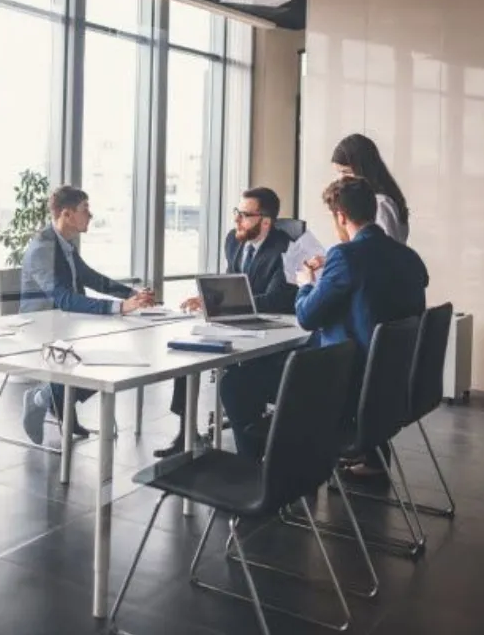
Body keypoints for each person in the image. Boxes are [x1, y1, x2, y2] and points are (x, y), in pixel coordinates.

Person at [293, 176, 429, 478]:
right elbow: (375, 297)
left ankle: (284, 473)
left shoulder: (344, 256)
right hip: (395, 380)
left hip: (351, 381)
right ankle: (370, 455)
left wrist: (305, 285)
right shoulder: (409, 257)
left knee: (243, 385)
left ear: (340, 216)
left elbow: (306, 317)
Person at [151, 187, 296, 458]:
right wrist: (209, 298)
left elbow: (278, 299)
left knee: (239, 380)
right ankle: (186, 433)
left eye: (245, 214)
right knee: (188, 352)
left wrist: (227, 305)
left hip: (268, 326)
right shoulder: (234, 240)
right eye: (236, 212)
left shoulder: (286, 249)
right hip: (232, 320)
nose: (237, 220)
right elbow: (232, 282)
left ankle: (255, 447)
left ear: (265, 221)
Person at [19, 185, 155, 444]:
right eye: (85, 210)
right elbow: (63, 298)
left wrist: (132, 294)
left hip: (65, 325)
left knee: (107, 358)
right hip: (40, 329)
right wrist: (118, 307)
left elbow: (92, 278)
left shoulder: (65, 244)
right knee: (96, 359)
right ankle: (42, 399)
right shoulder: (42, 248)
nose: (90, 215)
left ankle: (55, 400)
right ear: (67, 215)